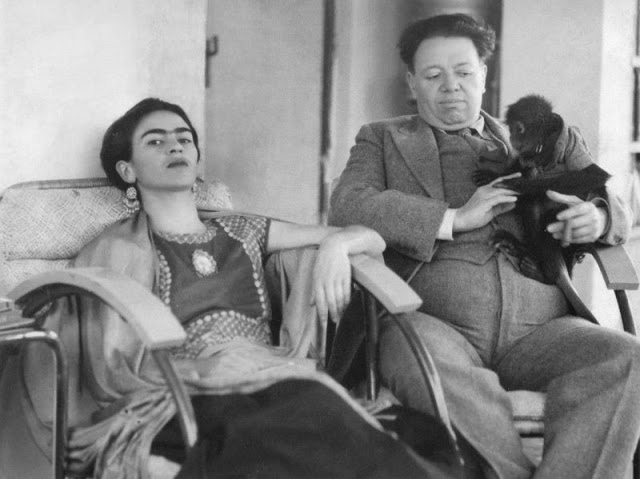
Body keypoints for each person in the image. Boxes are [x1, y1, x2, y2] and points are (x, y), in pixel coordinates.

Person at [0, 98, 453, 479]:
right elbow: (102, 357)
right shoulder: (114, 250)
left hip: (271, 375)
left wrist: (337, 245)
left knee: (410, 431)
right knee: (290, 423)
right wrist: (209, 371)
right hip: (183, 391)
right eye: (155, 141)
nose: (175, 146)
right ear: (127, 169)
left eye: (184, 138)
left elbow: (369, 237)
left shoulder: (243, 229)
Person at [329, 13, 640, 479]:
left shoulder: (544, 135)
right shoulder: (383, 139)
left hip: (541, 331)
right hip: (432, 322)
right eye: (433, 75)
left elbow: (614, 204)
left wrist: (596, 217)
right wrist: (454, 218)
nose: (450, 86)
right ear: (411, 82)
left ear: (484, 74)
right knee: (422, 360)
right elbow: (348, 204)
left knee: (626, 357)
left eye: (463, 72)